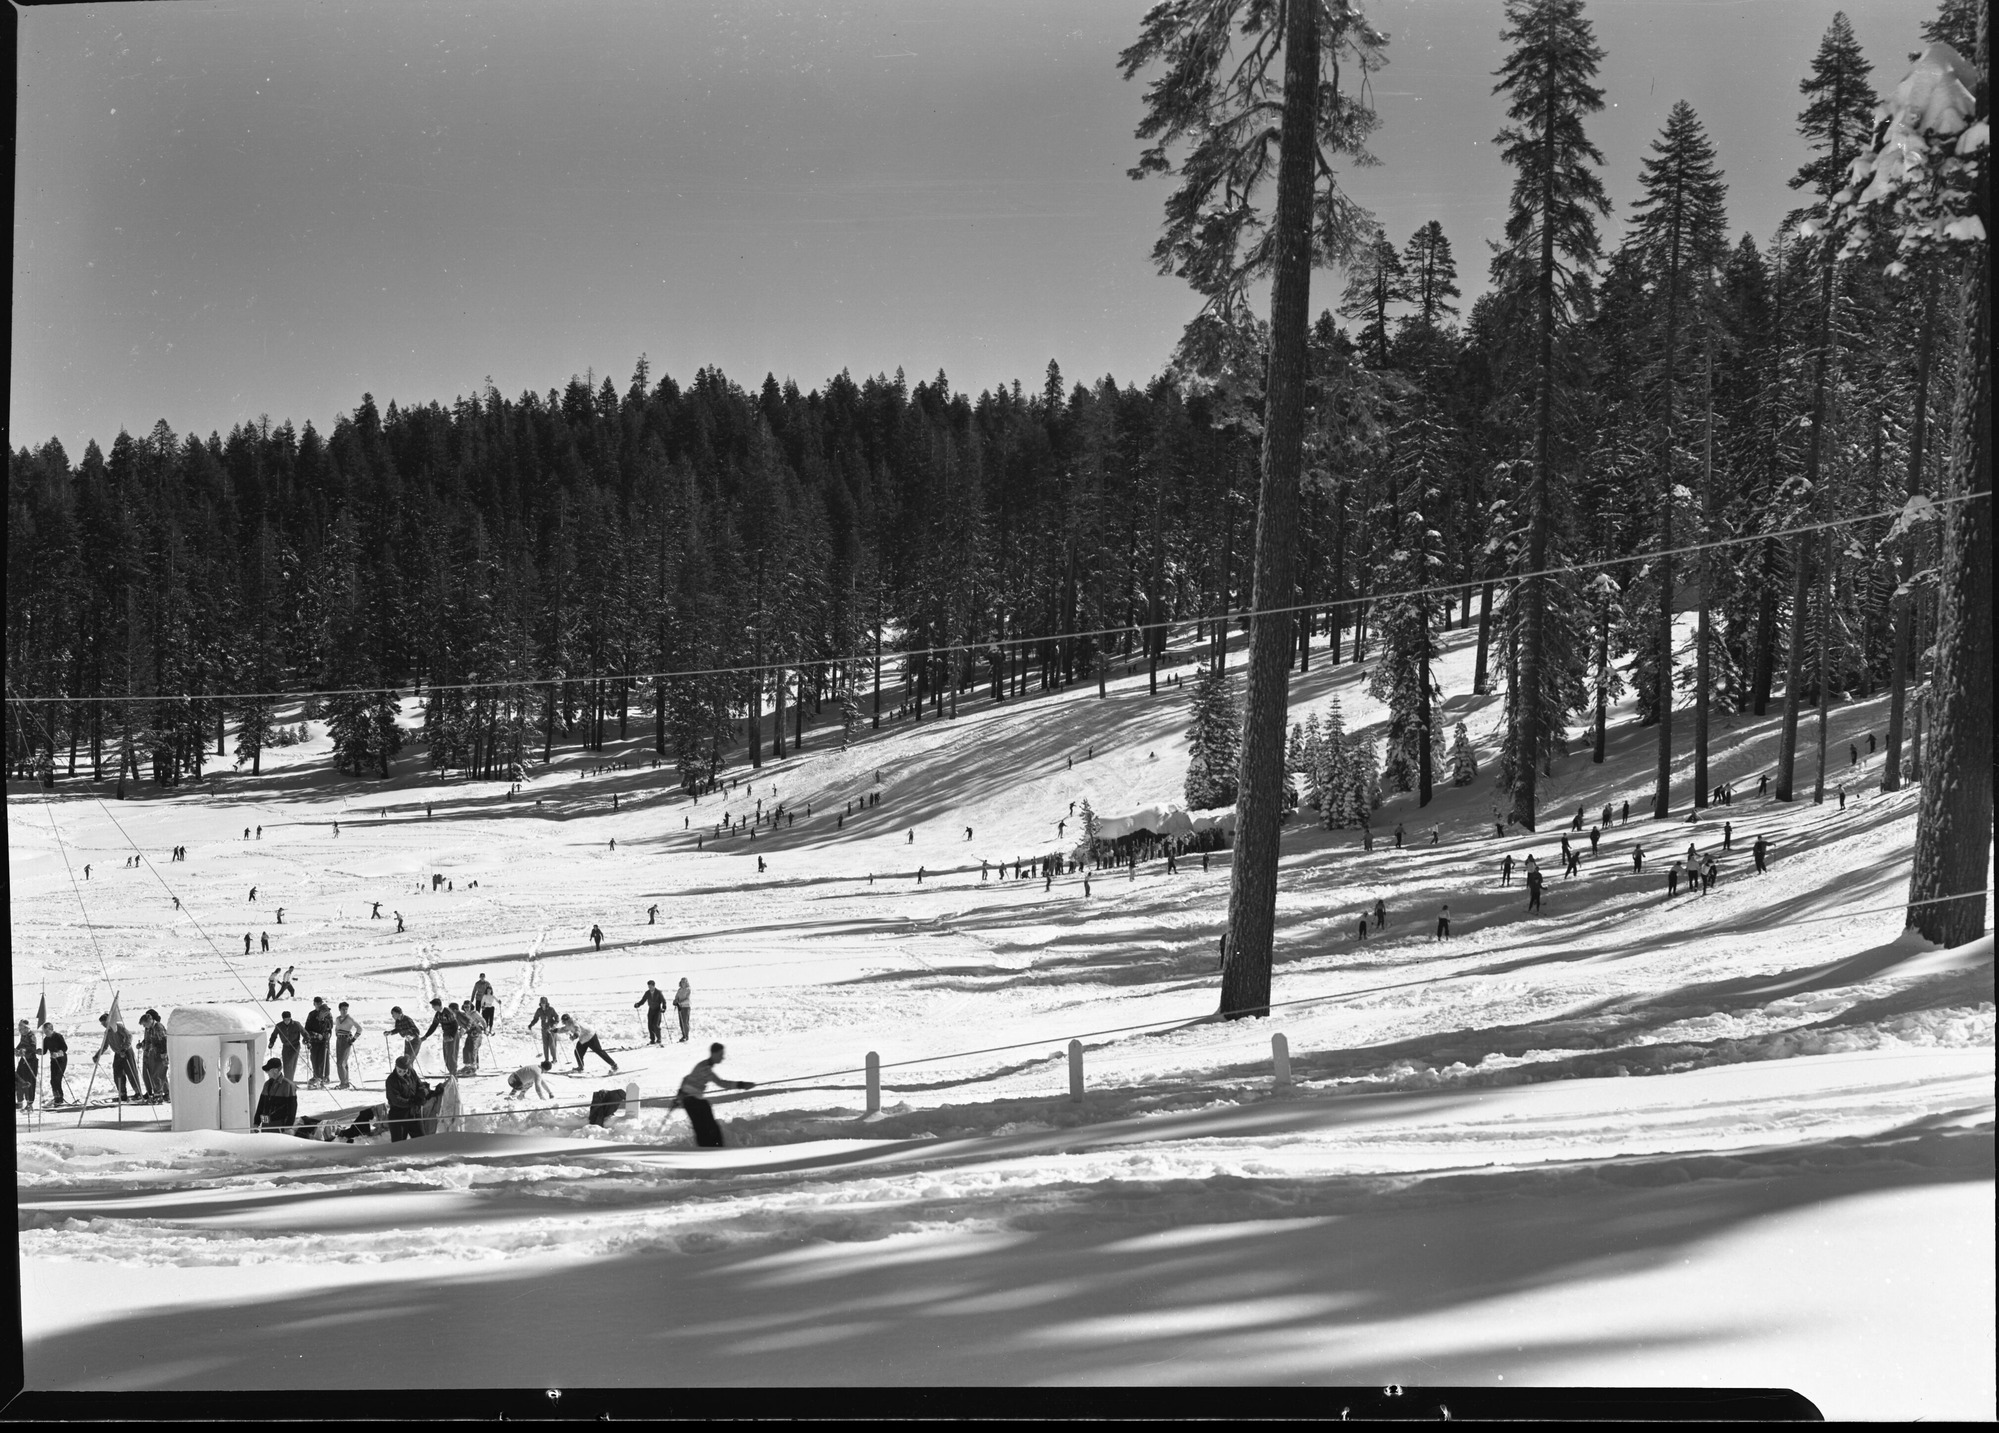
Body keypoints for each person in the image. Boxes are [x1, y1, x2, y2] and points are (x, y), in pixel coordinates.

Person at [677, 1043, 754, 1148]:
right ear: (713, 1053)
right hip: (691, 1101)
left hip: (692, 1100)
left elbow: (686, 1078)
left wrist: (680, 1093)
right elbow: (721, 1083)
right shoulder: (705, 1068)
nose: (722, 1057)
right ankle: (713, 1149)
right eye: (720, 1054)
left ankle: (712, 1147)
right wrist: (741, 1085)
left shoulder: (703, 1065)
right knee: (705, 1128)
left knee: (706, 1126)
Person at [95, 1012, 142, 1100]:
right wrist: (97, 1055)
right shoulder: (107, 1032)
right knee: (117, 1073)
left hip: (126, 1052)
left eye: (104, 1023)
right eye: (102, 1024)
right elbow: (105, 1045)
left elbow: (129, 1036)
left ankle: (138, 1092)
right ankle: (122, 1093)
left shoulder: (118, 1027)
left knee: (131, 1072)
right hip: (118, 1054)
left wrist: (124, 1048)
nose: (103, 1025)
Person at [384, 1056, 429, 1142]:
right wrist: (412, 1102)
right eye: (399, 1070)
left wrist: (422, 1093)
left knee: (421, 1141)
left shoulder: (412, 1072)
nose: (401, 1073)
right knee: (399, 1144)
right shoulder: (391, 1080)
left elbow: (420, 1085)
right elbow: (396, 1100)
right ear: (395, 1067)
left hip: (414, 1113)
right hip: (399, 1116)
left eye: (404, 1071)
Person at [254, 1058, 298, 1133]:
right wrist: (256, 1122)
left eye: (269, 1070)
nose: (267, 1072)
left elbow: (292, 1108)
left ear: (276, 1070)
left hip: (279, 1124)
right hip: (265, 1124)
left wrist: (288, 1126)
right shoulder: (267, 1084)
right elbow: (261, 1104)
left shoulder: (288, 1085)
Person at [421, 998, 462, 1076]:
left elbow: (455, 1024)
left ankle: (453, 1073)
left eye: (433, 1006)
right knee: (446, 1055)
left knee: (451, 1054)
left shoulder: (448, 1012)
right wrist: (426, 1036)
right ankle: (451, 1071)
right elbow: (434, 1025)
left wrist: (452, 1036)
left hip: (452, 1034)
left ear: (438, 1005)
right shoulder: (438, 1014)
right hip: (446, 1034)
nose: (433, 1008)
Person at [302, 998, 334, 1088]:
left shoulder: (327, 1016)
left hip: (324, 1041)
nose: (319, 1004)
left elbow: (330, 1027)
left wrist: (327, 1035)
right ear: (314, 1004)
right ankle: (317, 1076)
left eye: (320, 1003)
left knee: (323, 1059)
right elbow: (307, 1029)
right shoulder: (312, 1015)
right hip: (314, 1041)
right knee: (314, 1059)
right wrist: (314, 1036)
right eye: (317, 1003)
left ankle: (324, 1076)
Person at [269, 1010, 305, 1082]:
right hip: (286, 1046)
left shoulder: (296, 1024)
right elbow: (274, 1035)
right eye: (285, 1020)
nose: (287, 1021)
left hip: (295, 1046)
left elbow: (304, 1032)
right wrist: (271, 1042)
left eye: (288, 1019)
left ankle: (288, 1081)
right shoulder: (279, 1026)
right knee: (286, 1064)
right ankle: (288, 1081)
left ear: (290, 1018)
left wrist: (307, 1040)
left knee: (290, 1063)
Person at [140, 1010, 168, 1100]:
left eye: (144, 1024)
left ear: (149, 1021)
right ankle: (165, 1093)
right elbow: (149, 1040)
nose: (144, 1027)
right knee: (158, 1074)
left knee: (158, 1074)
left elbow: (164, 1041)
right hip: (155, 1054)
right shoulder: (150, 1028)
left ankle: (158, 1095)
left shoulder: (158, 1027)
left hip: (161, 1054)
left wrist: (164, 1054)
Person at [334, 1003, 362, 1089]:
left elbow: (359, 1028)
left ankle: (344, 1083)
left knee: (341, 1062)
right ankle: (344, 1081)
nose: (344, 1011)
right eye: (343, 1009)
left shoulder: (350, 1018)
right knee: (341, 1062)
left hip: (346, 1040)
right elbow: (336, 1028)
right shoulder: (338, 1019)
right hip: (339, 1040)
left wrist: (353, 1039)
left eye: (346, 1009)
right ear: (339, 1009)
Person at [528, 997, 561, 1069]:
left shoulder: (551, 1009)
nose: (543, 1004)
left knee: (552, 1044)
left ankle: (554, 1059)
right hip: (544, 1029)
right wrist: (531, 1024)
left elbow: (557, 1017)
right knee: (545, 1045)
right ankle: (546, 1060)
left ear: (546, 1003)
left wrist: (555, 1024)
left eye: (544, 1003)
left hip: (551, 1029)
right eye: (542, 1003)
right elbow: (536, 1018)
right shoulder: (539, 1010)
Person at [41, 1022, 69, 1106]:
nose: (45, 1033)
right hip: (53, 1061)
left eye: (46, 1031)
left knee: (57, 1079)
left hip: (61, 1060)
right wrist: (37, 1051)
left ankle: (60, 1098)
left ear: (51, 1029)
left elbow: (65, 1048)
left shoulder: (58, 1036)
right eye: (44, 1031)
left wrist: (58, 1053)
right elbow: (44, 1051)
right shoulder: (46, 1039)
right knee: (52, 1080)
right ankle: (56, 1097)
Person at [15, 1020, 39, 1111]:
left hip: (31, 1060)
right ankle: (20, 1101)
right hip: (23, 1060)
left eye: (21, 1028)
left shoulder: (31, 1036)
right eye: (19, 1029)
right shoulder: (23, 1035)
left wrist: (24, 1051)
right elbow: (21, 1044)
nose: (20, 1030)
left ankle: (30, 1103)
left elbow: (33, 1048)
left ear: (26, 1028)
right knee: (19, 1078)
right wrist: (17, 1050)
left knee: (29, 1082)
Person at [635, 980, 668, 1045]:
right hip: (651, 1009)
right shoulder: (647, 993)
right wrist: (638, 1004)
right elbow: (643, 1000)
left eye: (650, 986)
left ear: (653, 986)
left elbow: (663, 1001)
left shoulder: (658, 992)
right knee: (650, 1025)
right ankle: (652, 1040)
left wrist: (664, 1007)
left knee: (655, 1025)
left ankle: (659, 1039)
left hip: (657, 1010)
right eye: (648, 986)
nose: (649, 987)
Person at [459, 1004, 485, 1075]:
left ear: (471, 1007)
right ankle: (467, 1065)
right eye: (465, 1007)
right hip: (470, 1033)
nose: (466, 1008)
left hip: (476, 1032)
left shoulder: (475, 1013)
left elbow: (482, 1020)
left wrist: (485, 1028)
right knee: (466, 1049)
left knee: (473, 1049)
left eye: (467, 1007)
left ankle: (474, 1066)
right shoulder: (464, 1015)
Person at [673, 978, 692, 1042]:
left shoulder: (688, 990)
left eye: (684, 982)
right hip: (680, 1007)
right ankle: (683, 1035)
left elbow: (687, 999)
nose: (683, 983)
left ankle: (686, 1036)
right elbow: (676, 997)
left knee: (685, 1022)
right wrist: (675, 1001)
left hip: (686, 1007)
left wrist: (680, 1002)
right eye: (682, 982)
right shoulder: (679, 990)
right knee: (681, 1022)